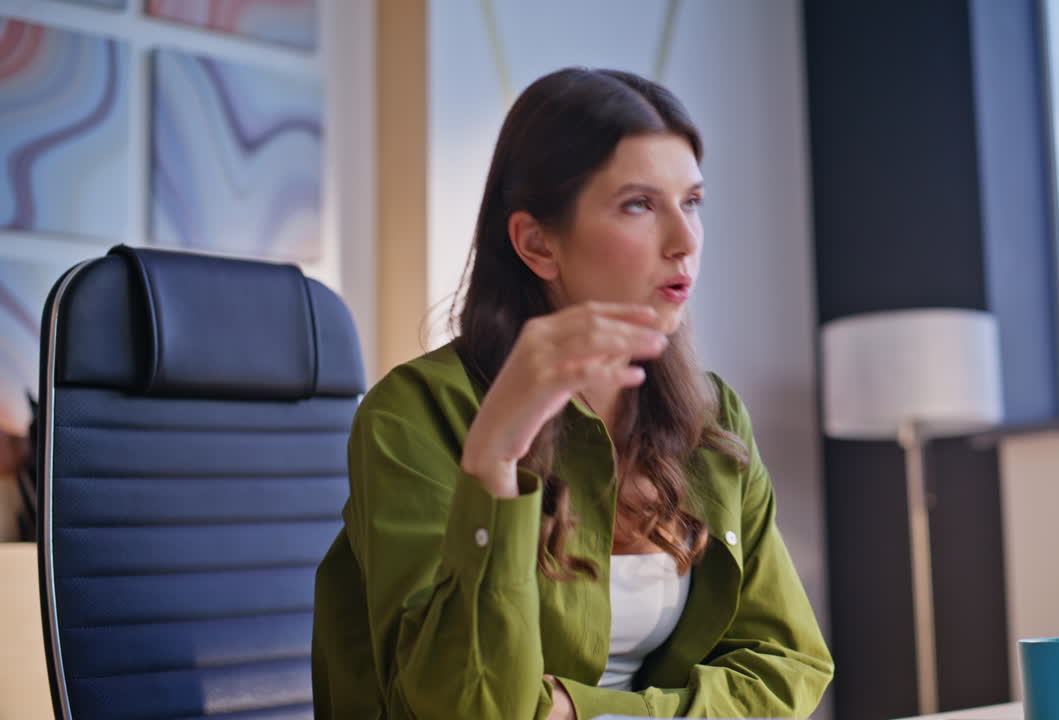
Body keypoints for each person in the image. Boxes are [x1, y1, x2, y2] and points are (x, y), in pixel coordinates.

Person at [311, 67, 833, 720]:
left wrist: (578, 711)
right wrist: (494, 464)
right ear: (536, 243)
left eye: (692, 201)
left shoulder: (712, 415)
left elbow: (789, 666)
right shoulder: (411, 418)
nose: (685, 241)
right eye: (639, 205)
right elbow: (465, 710)